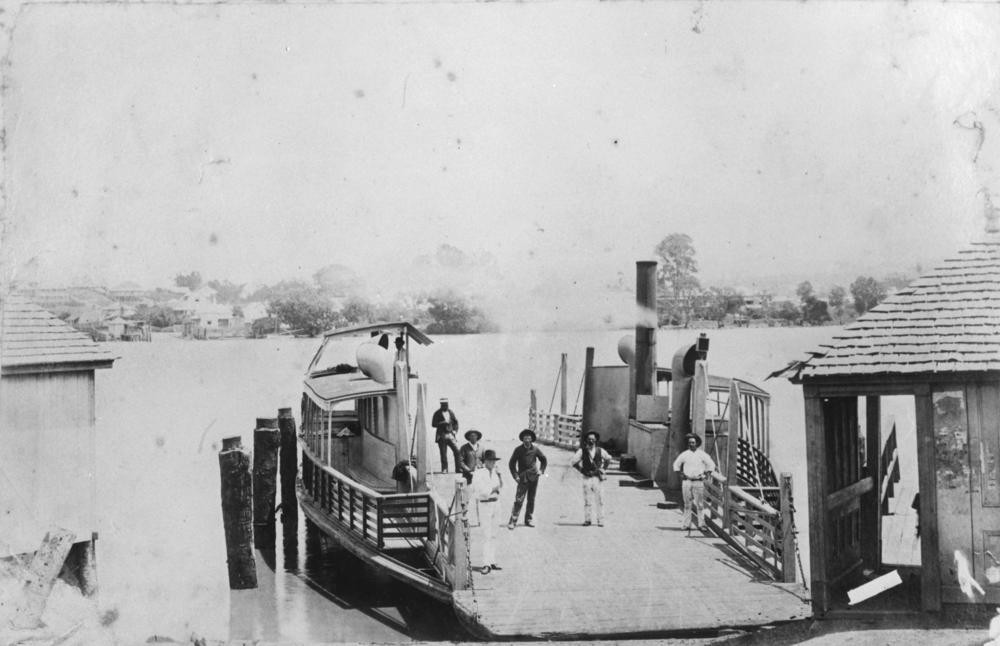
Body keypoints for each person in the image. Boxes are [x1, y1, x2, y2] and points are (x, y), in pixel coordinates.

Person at [672, 433, 716, 531]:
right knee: (687, 504)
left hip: (698, 482)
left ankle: (701, 524)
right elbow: (676, 464)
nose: (691, 444)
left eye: (693, 442)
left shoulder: (702, 454)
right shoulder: (684, 454)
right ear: (688, 444)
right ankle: (686, 524)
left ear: (697, 443)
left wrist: (706, 473)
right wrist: (680, 474)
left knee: (699, 504)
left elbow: (711, 465)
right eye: (690, 443)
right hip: (687, 481)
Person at [507, 429, 547, 529]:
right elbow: (511, 464)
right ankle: (513, 521)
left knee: (531, 499)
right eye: (525, 438)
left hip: (534, 477)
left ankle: (528, 519)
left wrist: (541, 471)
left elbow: (543, 460)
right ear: (522, 439)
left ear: (532, 439)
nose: (527, 440)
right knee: (519, 500)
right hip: (522, 478)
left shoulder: (535, 449)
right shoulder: (518, 450)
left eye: (529, 438)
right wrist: (515, 476)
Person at [472, 449, 504, 574]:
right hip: (485, 505)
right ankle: (486, 563)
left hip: (496, 504)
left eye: (493, 461)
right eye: (489, 461)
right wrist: (493, 488)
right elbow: (481, 491)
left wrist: (500, 477)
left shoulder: (495, 473)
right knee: (487, 535)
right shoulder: (478, 473)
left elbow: (500, 487)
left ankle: (492, 560)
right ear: (484, 461)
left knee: (494, 534)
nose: (492, 463)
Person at [571, 430, 610, 527]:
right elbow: (573, 462)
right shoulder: (582, 451)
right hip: (587, 478)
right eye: (589, 439)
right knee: (587, 500)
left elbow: (608, 458)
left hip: (597, 478)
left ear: (596, 440)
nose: (591, 441)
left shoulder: (600, 450)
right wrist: (582, 470)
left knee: (600, 500)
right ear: (586, 440)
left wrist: (603, 469)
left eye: (593, 439)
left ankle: (600, 520)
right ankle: (587, 520)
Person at [431, 398, 461, 472]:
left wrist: (455, 431)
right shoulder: (437, 413)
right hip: (441, 435)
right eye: (444, 405)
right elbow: (433, 424)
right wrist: (442, 423)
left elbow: (456, 422)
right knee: (443, 453)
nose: (445, 406)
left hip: (450, 435)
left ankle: (458, 469)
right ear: (441, 405)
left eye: (446, 405)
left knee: (457, 451)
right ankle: (445, 469)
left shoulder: (451, 412)